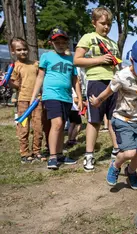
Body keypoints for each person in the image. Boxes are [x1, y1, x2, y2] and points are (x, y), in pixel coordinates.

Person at [89, 37, 137, 190]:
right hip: (123, 119)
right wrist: (98, 101)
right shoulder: (122, 76)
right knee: (129, 153)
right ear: (132, 60)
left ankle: (131, 171)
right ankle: (115, 166)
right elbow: (108, 92)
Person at [74, 7, 119, 171]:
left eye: (109, 24)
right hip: (95, 81)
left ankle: (117, 151)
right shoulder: (88, 37)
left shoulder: (113, 43)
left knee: (114, 118)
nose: (106, 27)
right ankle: (89, 155)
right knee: (94, 121)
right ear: (94, 23)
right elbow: (77, 60)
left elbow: (117, 64)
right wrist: (99, 59)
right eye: (103, 23)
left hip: (113, 83)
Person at [31, 28, 82, 169]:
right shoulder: (46, 57)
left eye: (63, 42)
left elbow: (75, 80)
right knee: (57, 124)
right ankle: (52, 156)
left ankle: (59, 154)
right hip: (51, 95)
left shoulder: (71, 59)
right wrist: (33, 96)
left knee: (61, 126)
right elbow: (40, 77)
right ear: (51, 43)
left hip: (66, 98)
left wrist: (80, 97)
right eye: (57, 42)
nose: (60, 44)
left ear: (67, 43)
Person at [9, 37, 45, 163]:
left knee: (38, 127)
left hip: (37, 101)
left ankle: (37, 151)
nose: (22, 52)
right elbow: (16, 85)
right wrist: (8, 82)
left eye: (24, 49)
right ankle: (24, 153)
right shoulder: (15, 66)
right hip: (23, 101)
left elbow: (41, 79)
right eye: (19, 50)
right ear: (13, 51)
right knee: (23, 127)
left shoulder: (36, 64)